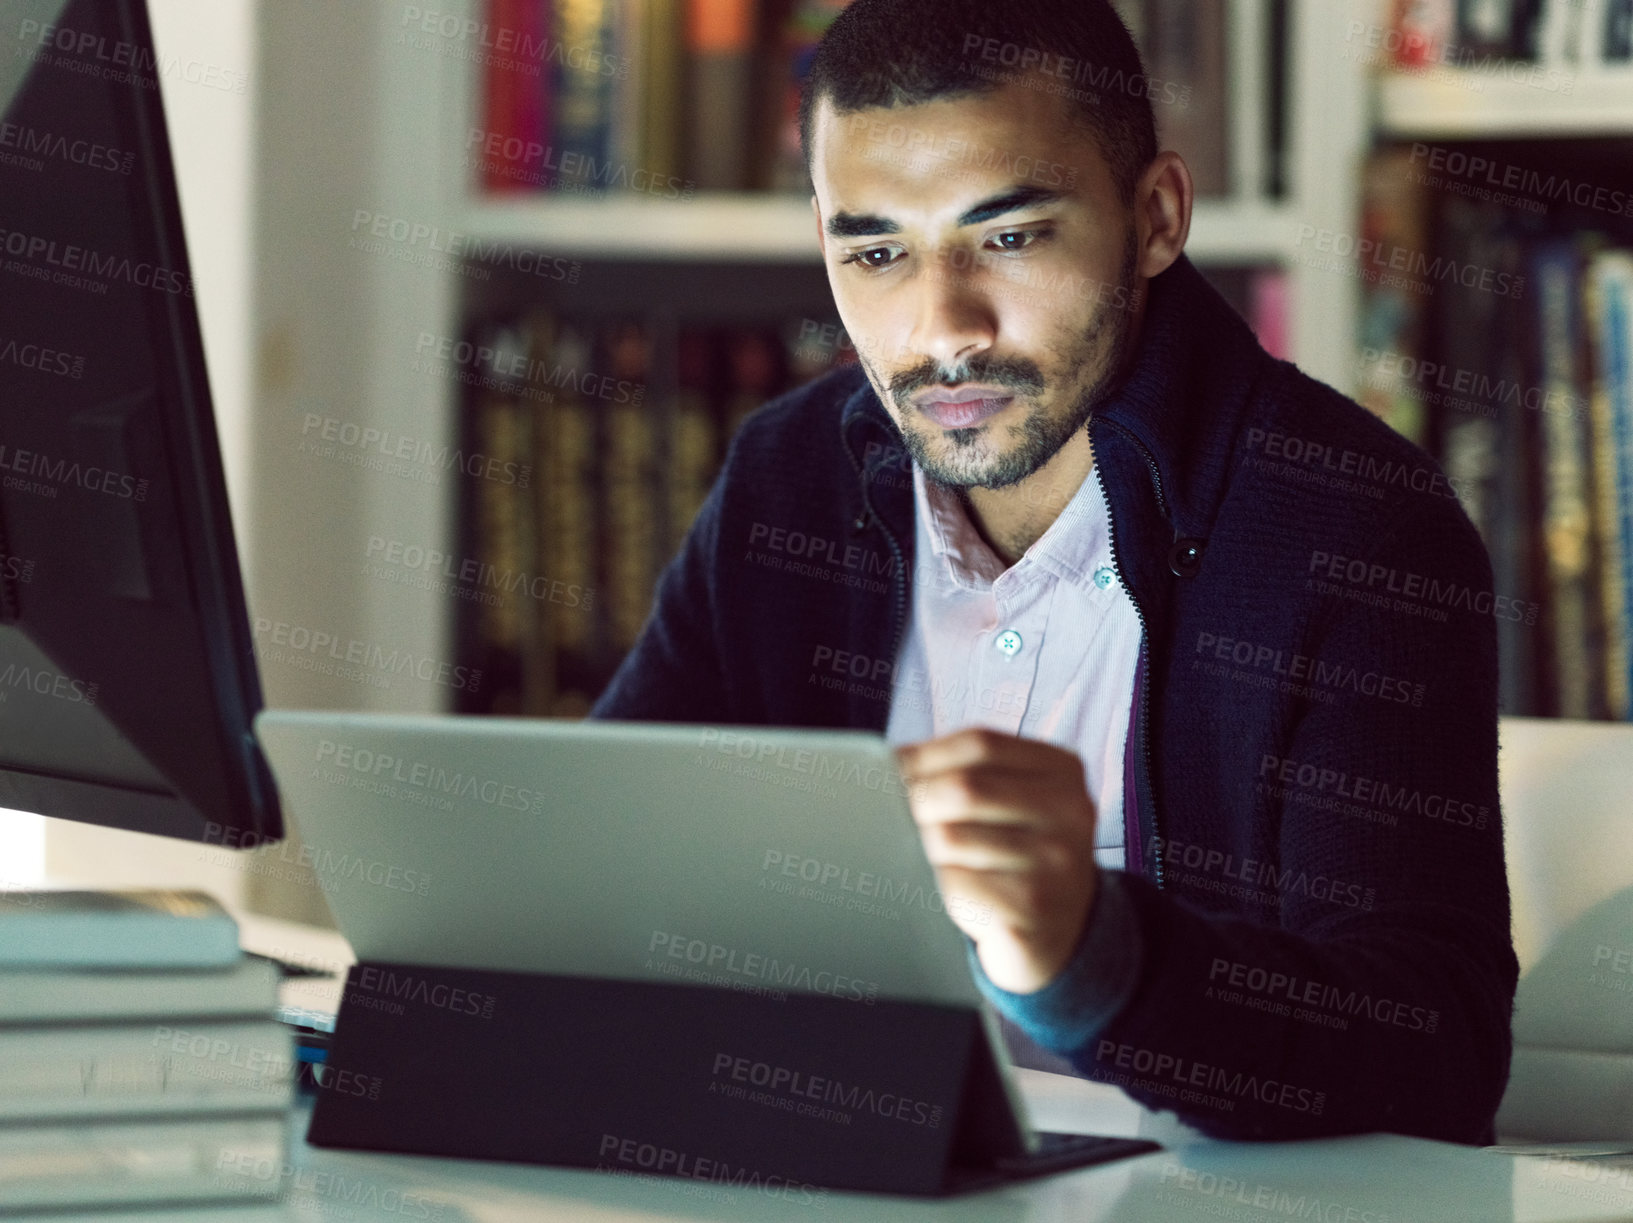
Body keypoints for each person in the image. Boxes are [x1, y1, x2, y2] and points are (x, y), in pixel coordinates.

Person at [591, 0, 1517, 1144]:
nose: (943, 330)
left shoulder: (1355, 530)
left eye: (1009, 236)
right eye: (875, 251)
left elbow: (1435, 1050)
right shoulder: (789, 476)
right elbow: (599, 870)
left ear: (1156, 217)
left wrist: (1092, 952)